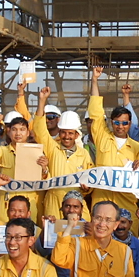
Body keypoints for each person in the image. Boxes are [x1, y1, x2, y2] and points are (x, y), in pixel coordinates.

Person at [88, 67, 139, 234]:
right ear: (111, 123)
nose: (120, 126)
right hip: (101, 202)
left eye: (125, 123)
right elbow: (96, 112)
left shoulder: (137, 147)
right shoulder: (102, 137)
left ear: (130, 124)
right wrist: (95, 80)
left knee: (129, 242)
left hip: (126, 203)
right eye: (117, 123)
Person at [34, 87, 94, 220]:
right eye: (63, 132)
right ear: (59, 132)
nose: (66, 136)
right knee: (54, 237)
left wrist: (87, 188)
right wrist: (42, 101)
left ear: (76, 134)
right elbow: (39, 130)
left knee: (81, 235)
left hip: (76, 203)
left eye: (70, 133)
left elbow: (90, 182)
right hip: (53, 202)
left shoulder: (84, 154)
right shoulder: (52, 148)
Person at [0, 112, 43, 224]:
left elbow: (45, 178)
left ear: (27, 133)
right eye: (14, 129)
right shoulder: (2, 151)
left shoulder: (36, 152)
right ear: (9, 132)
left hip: (28, 204)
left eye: (22, 129)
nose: (18, 133)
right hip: (6, 205)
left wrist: (44, 168)